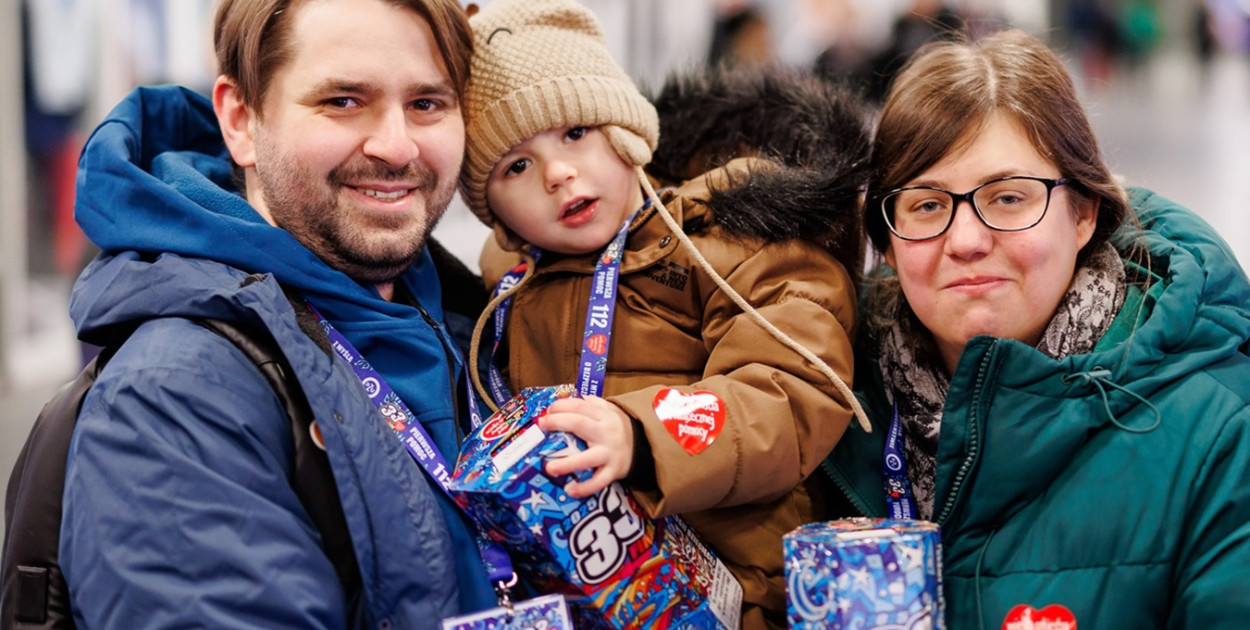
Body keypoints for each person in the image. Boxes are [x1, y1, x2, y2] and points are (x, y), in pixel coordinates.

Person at [57, 0, 500, 627]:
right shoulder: (174, 397)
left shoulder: (484, 323)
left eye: (427, 103)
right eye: (343, 101)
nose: (397, 146)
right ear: (240, 120)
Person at [456, 0, 873, 627]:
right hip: (595, 595)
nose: (558, 173)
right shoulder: (508, 289)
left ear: (624, 128)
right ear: (494, 213)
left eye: (576, 133)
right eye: (516, 166)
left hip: (742, 596)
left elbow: (793, 391)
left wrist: (643, 435)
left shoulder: (730, 238)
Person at [821, 29, 1250, 627]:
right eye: (927, 205)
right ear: (888, 243)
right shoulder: (824, 409)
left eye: (1008, 198)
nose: (966, 240)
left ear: (1083, 214)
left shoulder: (1218, 435)